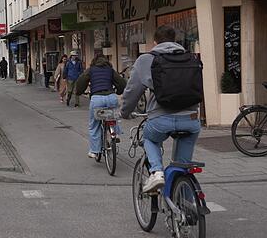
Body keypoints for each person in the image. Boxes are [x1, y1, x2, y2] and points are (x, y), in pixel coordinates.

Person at [120, 25, 201, 193]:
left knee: (150, 138)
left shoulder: (146, 59)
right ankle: (186, 208)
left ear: (155, 42)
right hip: (191, 119)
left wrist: (125, 112)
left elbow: (132, 90)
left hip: (161, 118)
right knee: (182, 168)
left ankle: (156, 172)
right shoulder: (189, 57)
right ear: (175, 40)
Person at [75, 53, 127, 159]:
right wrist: (118, 91)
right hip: (111, 97)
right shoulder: (110, 70)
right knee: (113, 116)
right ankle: (115, 132)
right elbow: (121, 82)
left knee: (94, 125)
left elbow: (81, 80)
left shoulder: (91, 70)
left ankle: (94, 151)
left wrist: (79, 92)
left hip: (97, 98)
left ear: (94, 61)